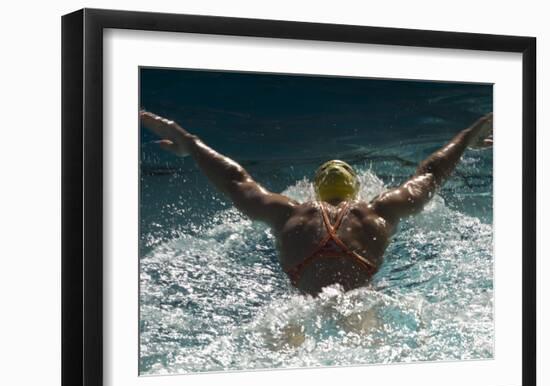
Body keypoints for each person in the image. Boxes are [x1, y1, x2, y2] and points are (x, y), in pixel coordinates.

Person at [140, 110, 493, 295]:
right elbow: (429, 174)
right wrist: (467, 136)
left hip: (301, 308)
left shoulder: (289, 213)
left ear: (313, 191)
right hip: (360, 302)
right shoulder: (377, 212)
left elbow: (236, 181)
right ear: (355, 190)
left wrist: (192, 143)